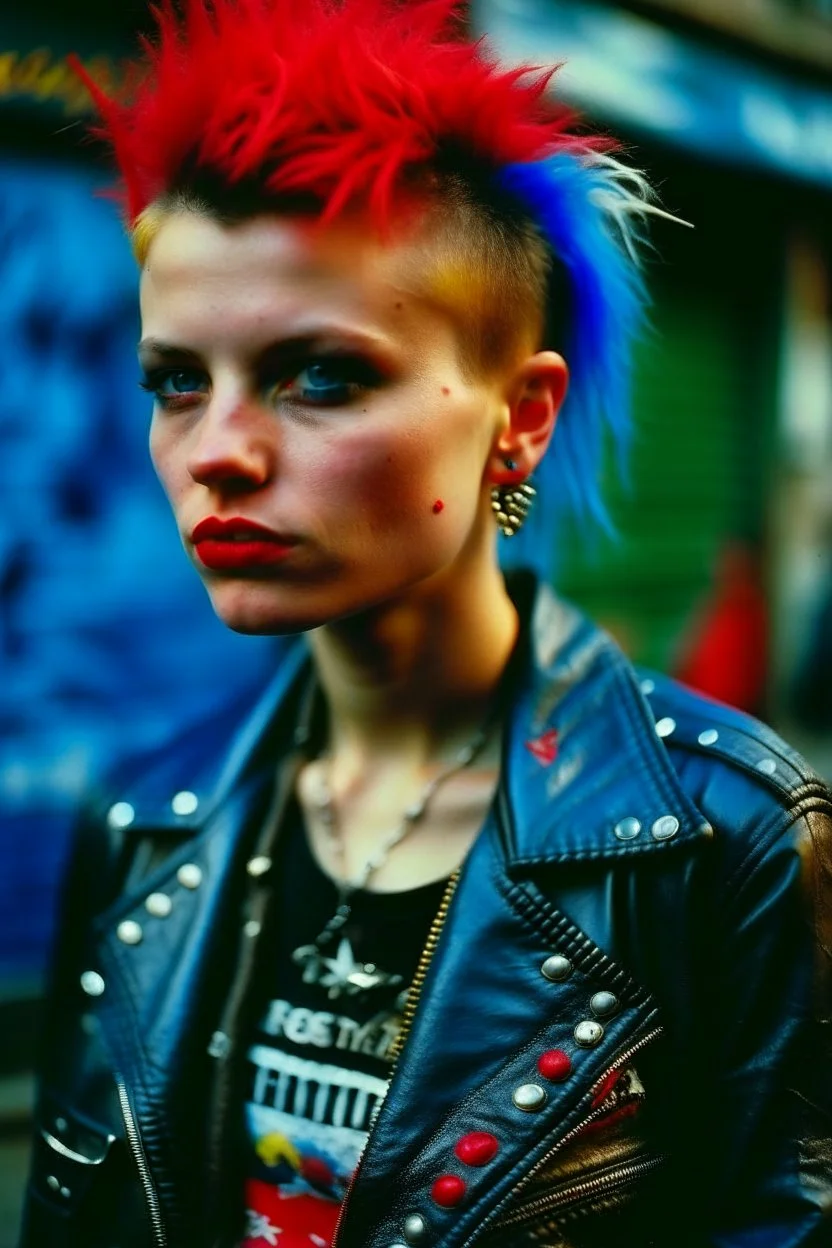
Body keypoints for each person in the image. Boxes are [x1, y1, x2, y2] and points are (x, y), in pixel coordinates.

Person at [19, 2, 832, 1245]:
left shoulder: (727, 846)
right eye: (176, 379)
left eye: (322, 375)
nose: (217, 452)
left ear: (520, 417)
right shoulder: (144, 819)